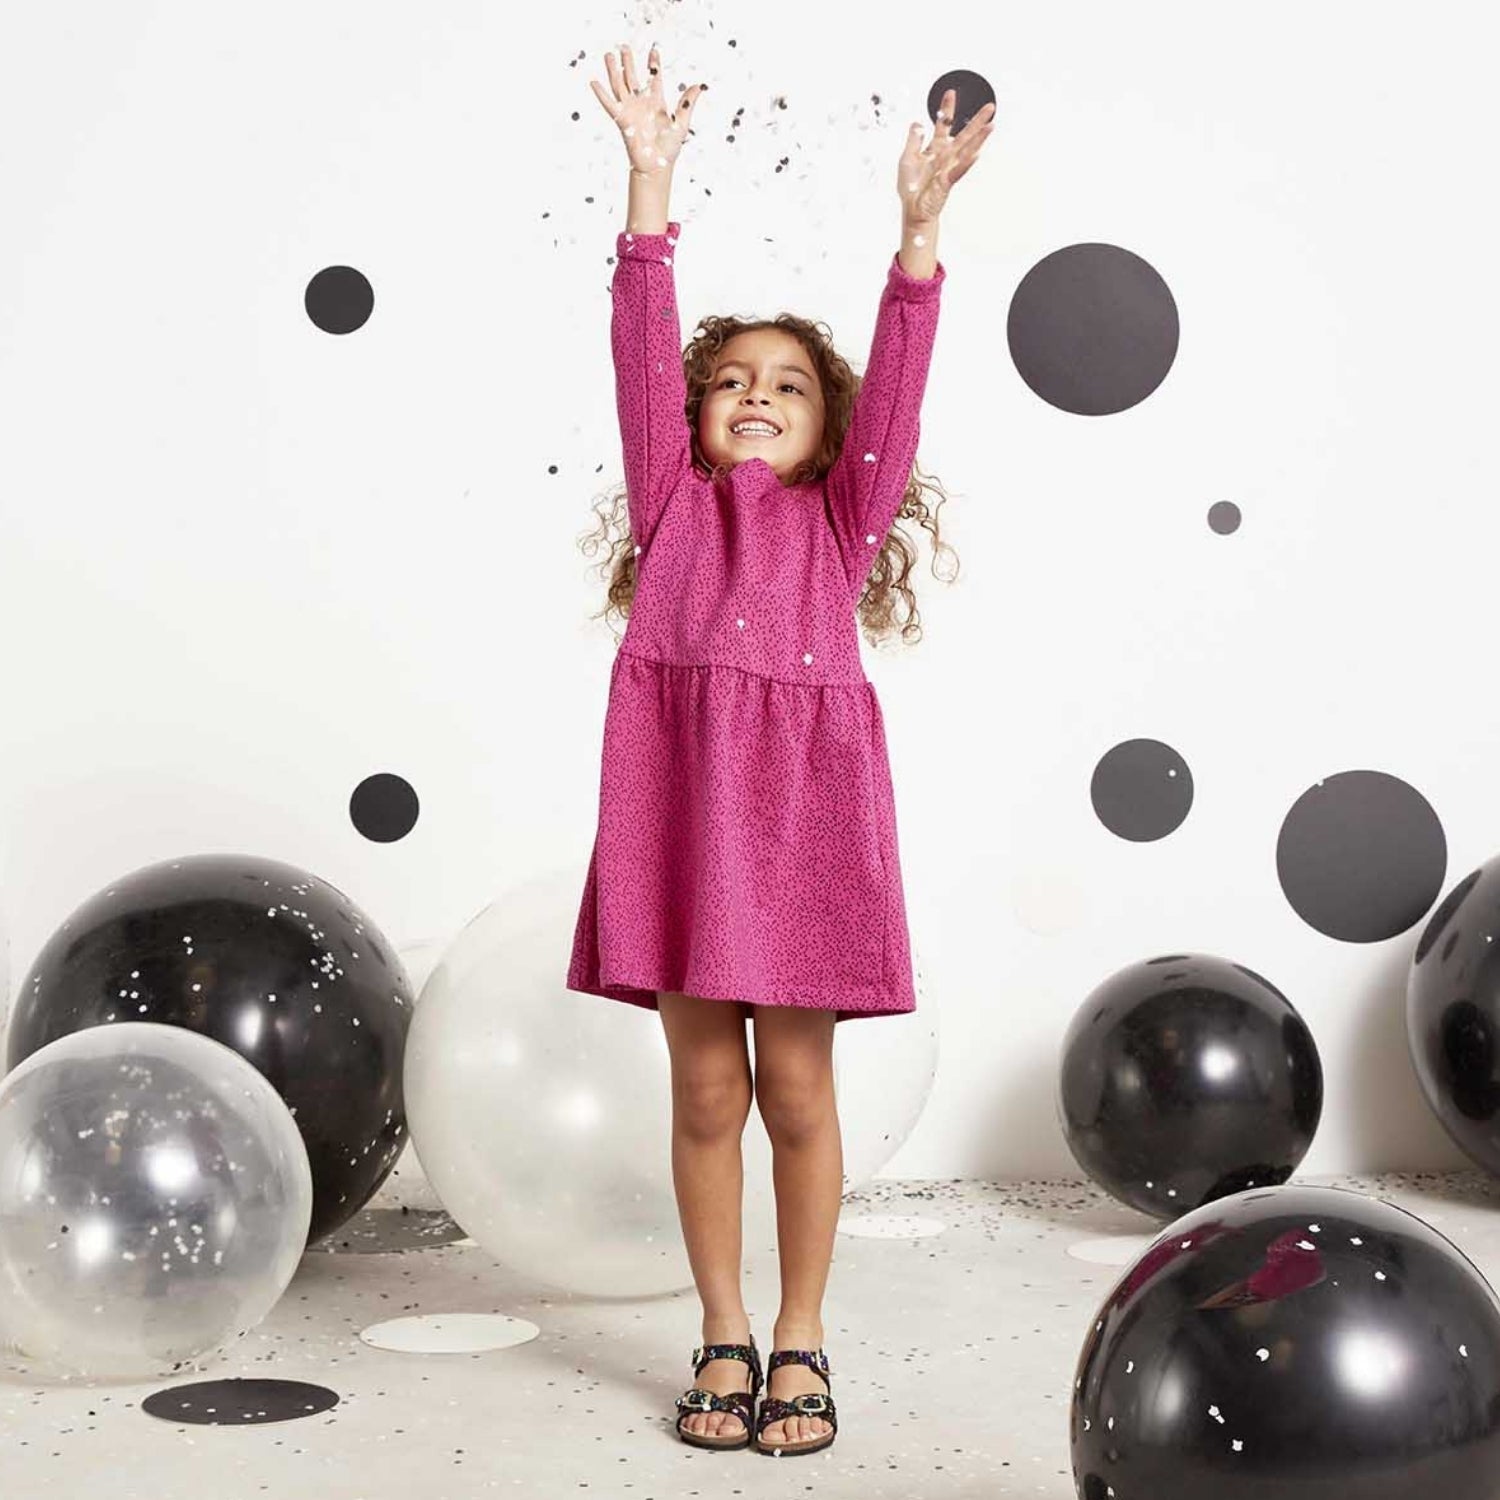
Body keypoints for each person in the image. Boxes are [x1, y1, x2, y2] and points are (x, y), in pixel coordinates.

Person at [568, 41, 996, 1457]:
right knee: (706, 1089)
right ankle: (722, 1329)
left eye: (791, 387)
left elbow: (903, 391)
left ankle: (802, 1334)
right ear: (696, 416)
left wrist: (918, 241)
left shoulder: (840, 524)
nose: (756, 393)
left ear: (830, 434)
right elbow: (641, 348)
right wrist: (648, 188)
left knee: (799, 1090)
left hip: (805, 824)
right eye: (733, 381)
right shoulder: (672, 510)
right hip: (682, 817)